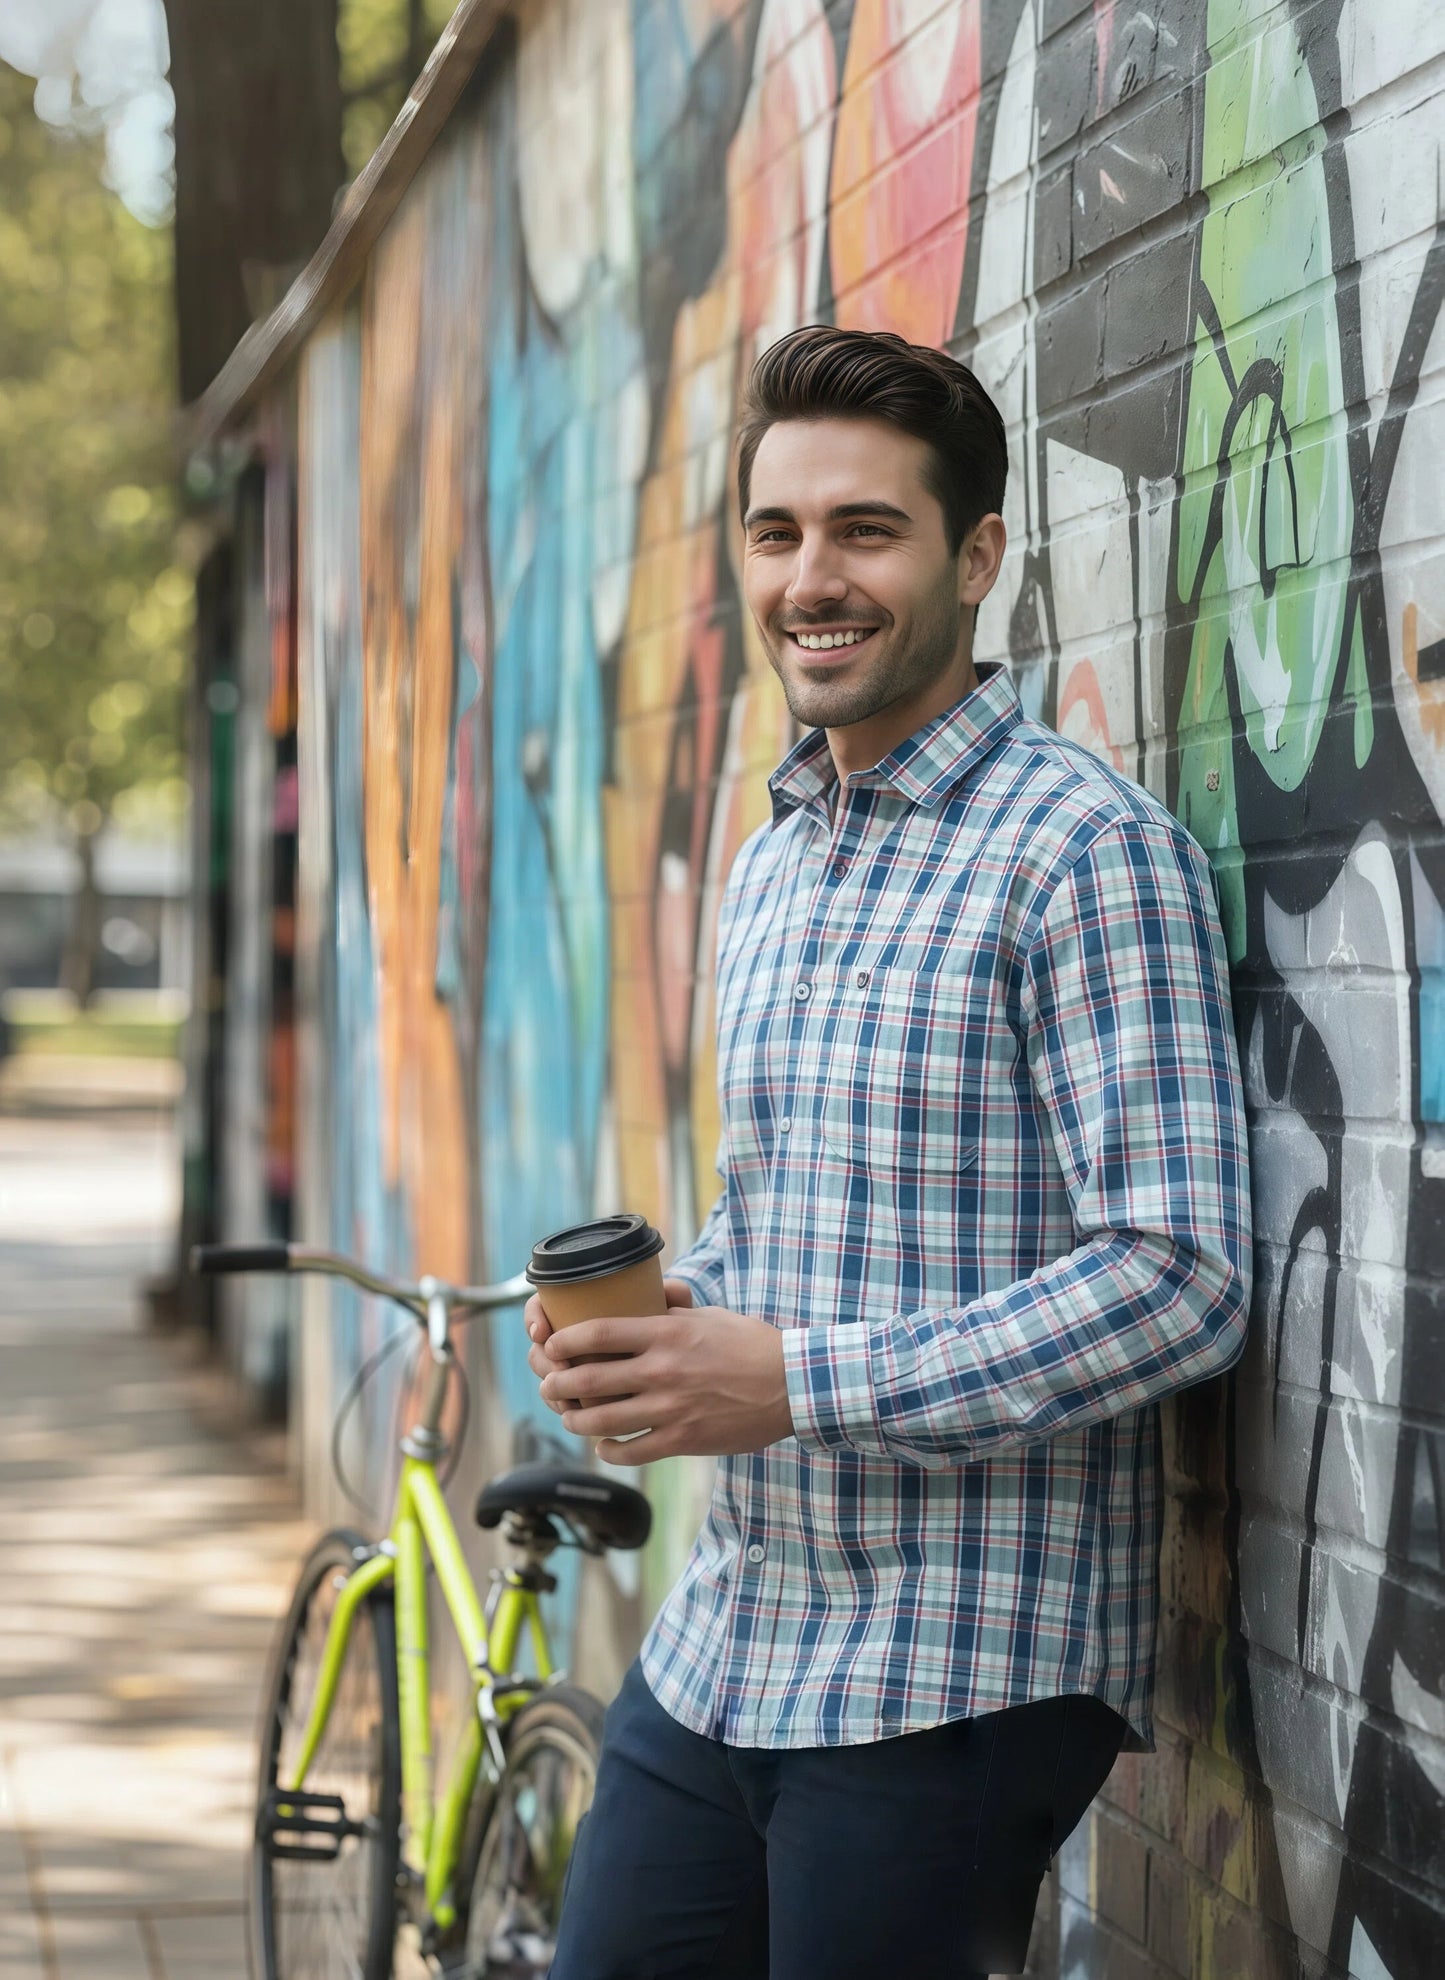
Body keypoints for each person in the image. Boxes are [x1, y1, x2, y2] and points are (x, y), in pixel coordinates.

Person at [525, 324, 1252, 1978]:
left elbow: (1183, 1281)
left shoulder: (1083, 855)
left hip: (954, 1663)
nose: (810, 579)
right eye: (777, 534)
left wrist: (790, 1381)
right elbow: (788, 1214)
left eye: (866, 530)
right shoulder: (776, 861)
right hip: (732, 1631)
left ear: (975, 553)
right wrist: (668, 1329)